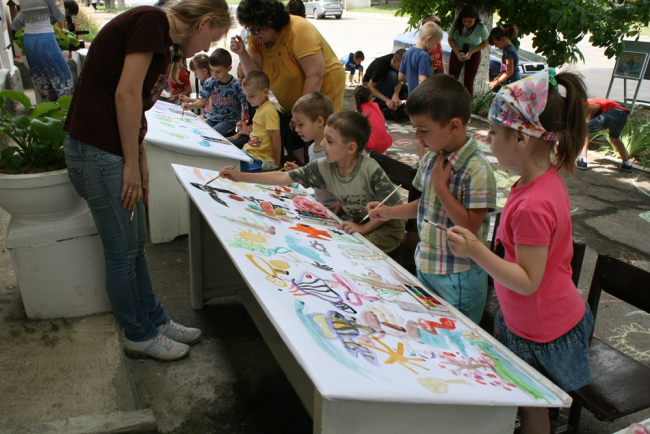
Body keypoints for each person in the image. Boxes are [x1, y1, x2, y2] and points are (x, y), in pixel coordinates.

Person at [63, 0, 232, 361]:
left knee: (135, 246)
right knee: (122, 253)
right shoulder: (152, 21)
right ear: (203, 22)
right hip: (99, 152)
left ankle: (154, 320)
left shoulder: (161, 38)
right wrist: (129, 163)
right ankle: (138, 334)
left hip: (112, 151)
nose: (207, 47)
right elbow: (125, 94)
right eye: (212, 37)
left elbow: (134, 105)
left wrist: (139, 159)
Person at [447, 69, 594, 432]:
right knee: (528, 403)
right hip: (528, 321)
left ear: (521, 137)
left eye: (494, 131)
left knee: (532, 407)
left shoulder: (533, 204)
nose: (487, 137)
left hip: (544, 331)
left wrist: (476, 251)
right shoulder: (539, 181)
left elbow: (528, 281)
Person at [367, 74, 496, 324]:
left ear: (454, 126)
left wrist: (441, 187)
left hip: (457, 276)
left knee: (458, 337)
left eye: (424, 130)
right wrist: (389, 212)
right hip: (427, 264)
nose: (417, 136)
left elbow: (470, 227)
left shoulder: (477, 169)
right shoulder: (432, 156)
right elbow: (425, 205)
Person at [221, 112, 406, 254]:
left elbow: (395, 206)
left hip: (387, 228)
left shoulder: (369, 169)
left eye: (330, 141)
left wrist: (363, 228)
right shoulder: (324, 165)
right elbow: (284, 177)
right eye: (325, 137)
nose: (322, 144)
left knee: (348, 252)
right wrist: (241, 177)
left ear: (350, 148)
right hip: (356, 222)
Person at [231, 0, 346, 114]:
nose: (253, 34)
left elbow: (314, 76)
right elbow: (256, 77)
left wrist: (301, 113)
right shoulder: (257, 38)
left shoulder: (299, 29)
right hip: (293, 100)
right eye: (250, 29)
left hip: (324, 89)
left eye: (256, 30)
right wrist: (242, 53)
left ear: (270, 21)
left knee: (319, 123)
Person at [283, 92, 339, 212]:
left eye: (301, 124)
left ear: (319, 121)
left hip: (334, 210)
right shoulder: (311, 148)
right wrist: (301, 172)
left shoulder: (333, 152)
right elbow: (316, 181)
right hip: (320, 205)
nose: (296, 129)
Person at [11, 0, 74, 102]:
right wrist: (62, 3)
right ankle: (66, 107)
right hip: (45, 38)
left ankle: (49, 108)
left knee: (41, 79)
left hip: (29, 40)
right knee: (62, 76)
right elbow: (60, 16)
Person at [181, 48, 246, 137]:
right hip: (213, 118)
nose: (214, 74)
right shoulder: (210, 82)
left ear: (229, 68)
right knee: (199, 131)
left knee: (212, 134)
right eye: (212, 70)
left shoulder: (236, 85)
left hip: (230, 120)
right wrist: (190, 106)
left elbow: (245, 105)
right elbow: (203, 101)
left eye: (218, 71)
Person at [238, 71, 281, 172]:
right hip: (249, 152)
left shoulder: (268, 111)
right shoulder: (260, 108)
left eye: (251, 95)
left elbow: (276, 138)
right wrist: (246, 130)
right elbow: (260, 135)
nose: (248, 99)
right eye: (246, 95)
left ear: (265, 92)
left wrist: (276, 164)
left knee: (232, 170)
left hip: (259, 159)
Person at [578, 98, 633, 171]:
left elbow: (596, 106)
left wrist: (588, 120)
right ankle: (627, 164)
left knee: (585, 130)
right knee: (615, 138)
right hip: (622, 115)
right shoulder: (596, 101)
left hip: (611, 112)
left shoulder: (584, 104)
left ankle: (582, 160)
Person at [447, 4, 489, 98]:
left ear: (475, 19)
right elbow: (450, 39)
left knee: (469, 80)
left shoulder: (481, 27)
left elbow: (485, 43)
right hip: (457, 49)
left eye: (470, 21)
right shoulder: (456, 24)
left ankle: (467, 102)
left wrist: (471, 52)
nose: (467, 24)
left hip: (473, 51)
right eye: (464, 21)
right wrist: (458, 53)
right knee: (452, 78)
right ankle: (449, 99)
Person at [398, 22, 442, 94]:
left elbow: (400, 77)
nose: (435, 47)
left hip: (412, 96)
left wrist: (412, 81)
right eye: (436, 43)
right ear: (429, 39)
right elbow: (422, 81)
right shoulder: (424, 56)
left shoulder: (406, 53)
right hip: (422, 97)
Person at [362, 49, 408, 116]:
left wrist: (396, 95)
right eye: (401, 66)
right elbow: (370, 86)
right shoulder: (381, 65)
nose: (402, 68)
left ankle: (391, 102)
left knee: (407, 90)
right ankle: (382, 104)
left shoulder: (397, 62)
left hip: (387, 86)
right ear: (393, 61)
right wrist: (387, 100)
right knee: (392, 75)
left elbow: (398, 82)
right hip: (371, 87)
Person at [354, 84, 392, 155]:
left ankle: (365, 153)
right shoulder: (375, 105)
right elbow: (384, 122)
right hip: (386, 142)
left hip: (372, 146)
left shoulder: (358, 110)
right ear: (370, 96)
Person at [227, 64, 256, 149]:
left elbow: (256, 125)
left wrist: (239, 134)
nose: (239, 80)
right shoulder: (245, 95)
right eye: (238, 76)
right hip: (245, 133)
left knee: (230, 146)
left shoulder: (255, 101)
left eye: (243, 77)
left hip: (253, 137)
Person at [488, 25, 521, 90]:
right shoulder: (507, 49)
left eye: (496, 44)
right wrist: (499, 76)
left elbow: (509, 71)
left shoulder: (509, 52)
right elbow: (505, 69)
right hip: (510, 82)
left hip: (513, 83)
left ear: (502, 39)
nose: (496, 46)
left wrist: (496, 82)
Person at [187, 53, 211, 118]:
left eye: (195, 73)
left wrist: (190, 105)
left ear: (204, 71)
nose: (195, 76)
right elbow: (204, 101)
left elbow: (202, 102)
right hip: (208, 114)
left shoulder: (209, 83)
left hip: (210, 115)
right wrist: (188, 99)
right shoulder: (207, 82)